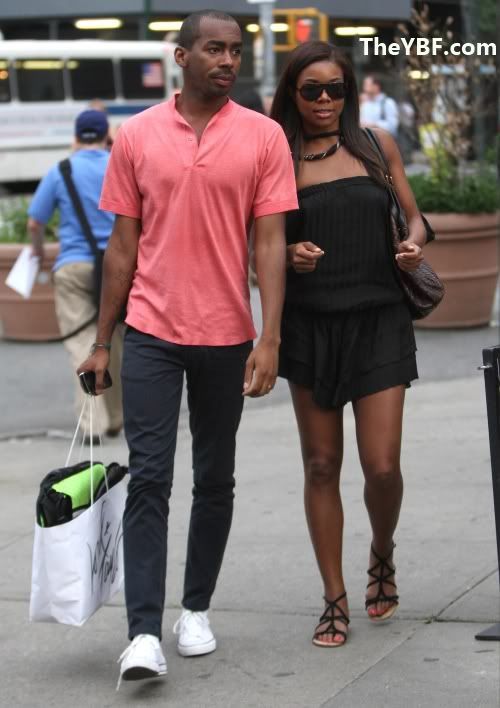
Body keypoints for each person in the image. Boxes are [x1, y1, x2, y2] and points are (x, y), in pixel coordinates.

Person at [77, 10, 297, 686]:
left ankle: (195, 609)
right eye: (213, 49)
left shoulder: (263, 135)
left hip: (227, 334)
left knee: (215, 477)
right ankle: (143, 632)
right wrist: (102, 342)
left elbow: (270, 243)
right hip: (151, 330)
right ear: (182, 56)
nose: (227, 60)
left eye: (235, 50)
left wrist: (269, 336)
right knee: (150, 476)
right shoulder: (138, 134)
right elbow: (122, 247)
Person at [271, 41, 427, 647]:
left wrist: (412, 245)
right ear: (293, 94)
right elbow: (259, 243)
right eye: (312, 90)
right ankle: (333, 597)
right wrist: (288, 253)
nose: (325, 100)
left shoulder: (375, 145)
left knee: (382, 466)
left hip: (380, 319)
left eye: (335, 88)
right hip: (310, 325)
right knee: (320, 464)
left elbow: (414, 217)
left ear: (349, 92)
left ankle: (381, 550)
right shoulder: (278, 157)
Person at [28, 109, 123, 442]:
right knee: (114, 343)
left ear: (75, 137)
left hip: (73, 267)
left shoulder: (61, 170)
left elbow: (35, 223)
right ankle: (116, 418)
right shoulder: (118, 165)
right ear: (106, 136)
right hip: (117, 268)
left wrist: (38, 252)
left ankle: (92, 425)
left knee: (81, 344)